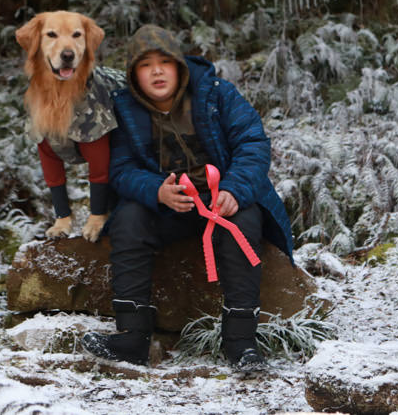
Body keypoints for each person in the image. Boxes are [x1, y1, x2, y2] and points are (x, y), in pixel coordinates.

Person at [81, 24, 294, 371]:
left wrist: (233, 190)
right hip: (169, 206)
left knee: (244, 221)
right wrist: (156, 191)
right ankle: (132, 337)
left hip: (221, 201)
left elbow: (253, 143)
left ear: (180, 66)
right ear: (134, 75)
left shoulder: (216, 93)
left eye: (165, 61)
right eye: (145, 64)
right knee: (129, 219)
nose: (157, 71)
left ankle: (241, 342)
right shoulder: (124, 109)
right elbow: (119, 168)